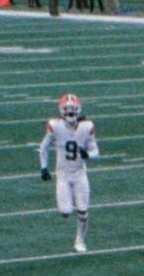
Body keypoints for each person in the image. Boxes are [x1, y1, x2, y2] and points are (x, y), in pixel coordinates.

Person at [39, 93, 98, 253]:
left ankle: (79, 240)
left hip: (80, 174)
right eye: (67, 109)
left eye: (73, 109)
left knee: (83, 211)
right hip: (63, 175)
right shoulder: (55, 125)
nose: (70, 113)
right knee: (65, 212)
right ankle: (68, 204)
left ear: (79, 110)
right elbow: (44, 146)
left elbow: (96, 151)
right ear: (61, 110)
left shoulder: (87, 126)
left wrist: (88, 155)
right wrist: (44, 167)